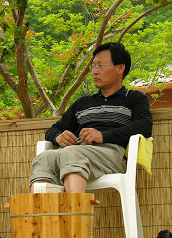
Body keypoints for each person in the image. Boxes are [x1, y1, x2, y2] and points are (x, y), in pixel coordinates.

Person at [30, 42, 152, 193]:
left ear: (120, 68)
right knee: (45, 157)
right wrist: (58, 137)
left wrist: (103, 136)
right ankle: (43, 214)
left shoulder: (134, 98)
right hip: (78, 154)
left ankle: (76, 215)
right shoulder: (82, 103)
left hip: (111, 155)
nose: (95, 71)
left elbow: (144, 126)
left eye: (100, 66)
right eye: (93, 66)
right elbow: (54, 129)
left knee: (71, 153)